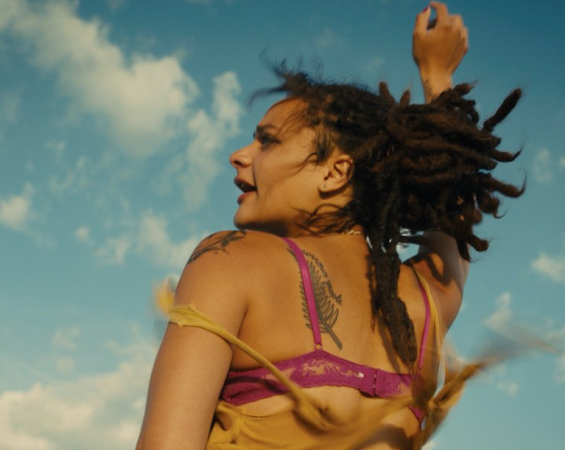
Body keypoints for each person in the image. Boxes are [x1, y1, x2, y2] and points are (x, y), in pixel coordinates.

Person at [136, 2, 523, 449]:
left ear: (335, 173)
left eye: (268, 141)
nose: (239, 155)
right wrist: (438, 76)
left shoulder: (230, 260)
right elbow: (455, 204)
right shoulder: (428, 302)